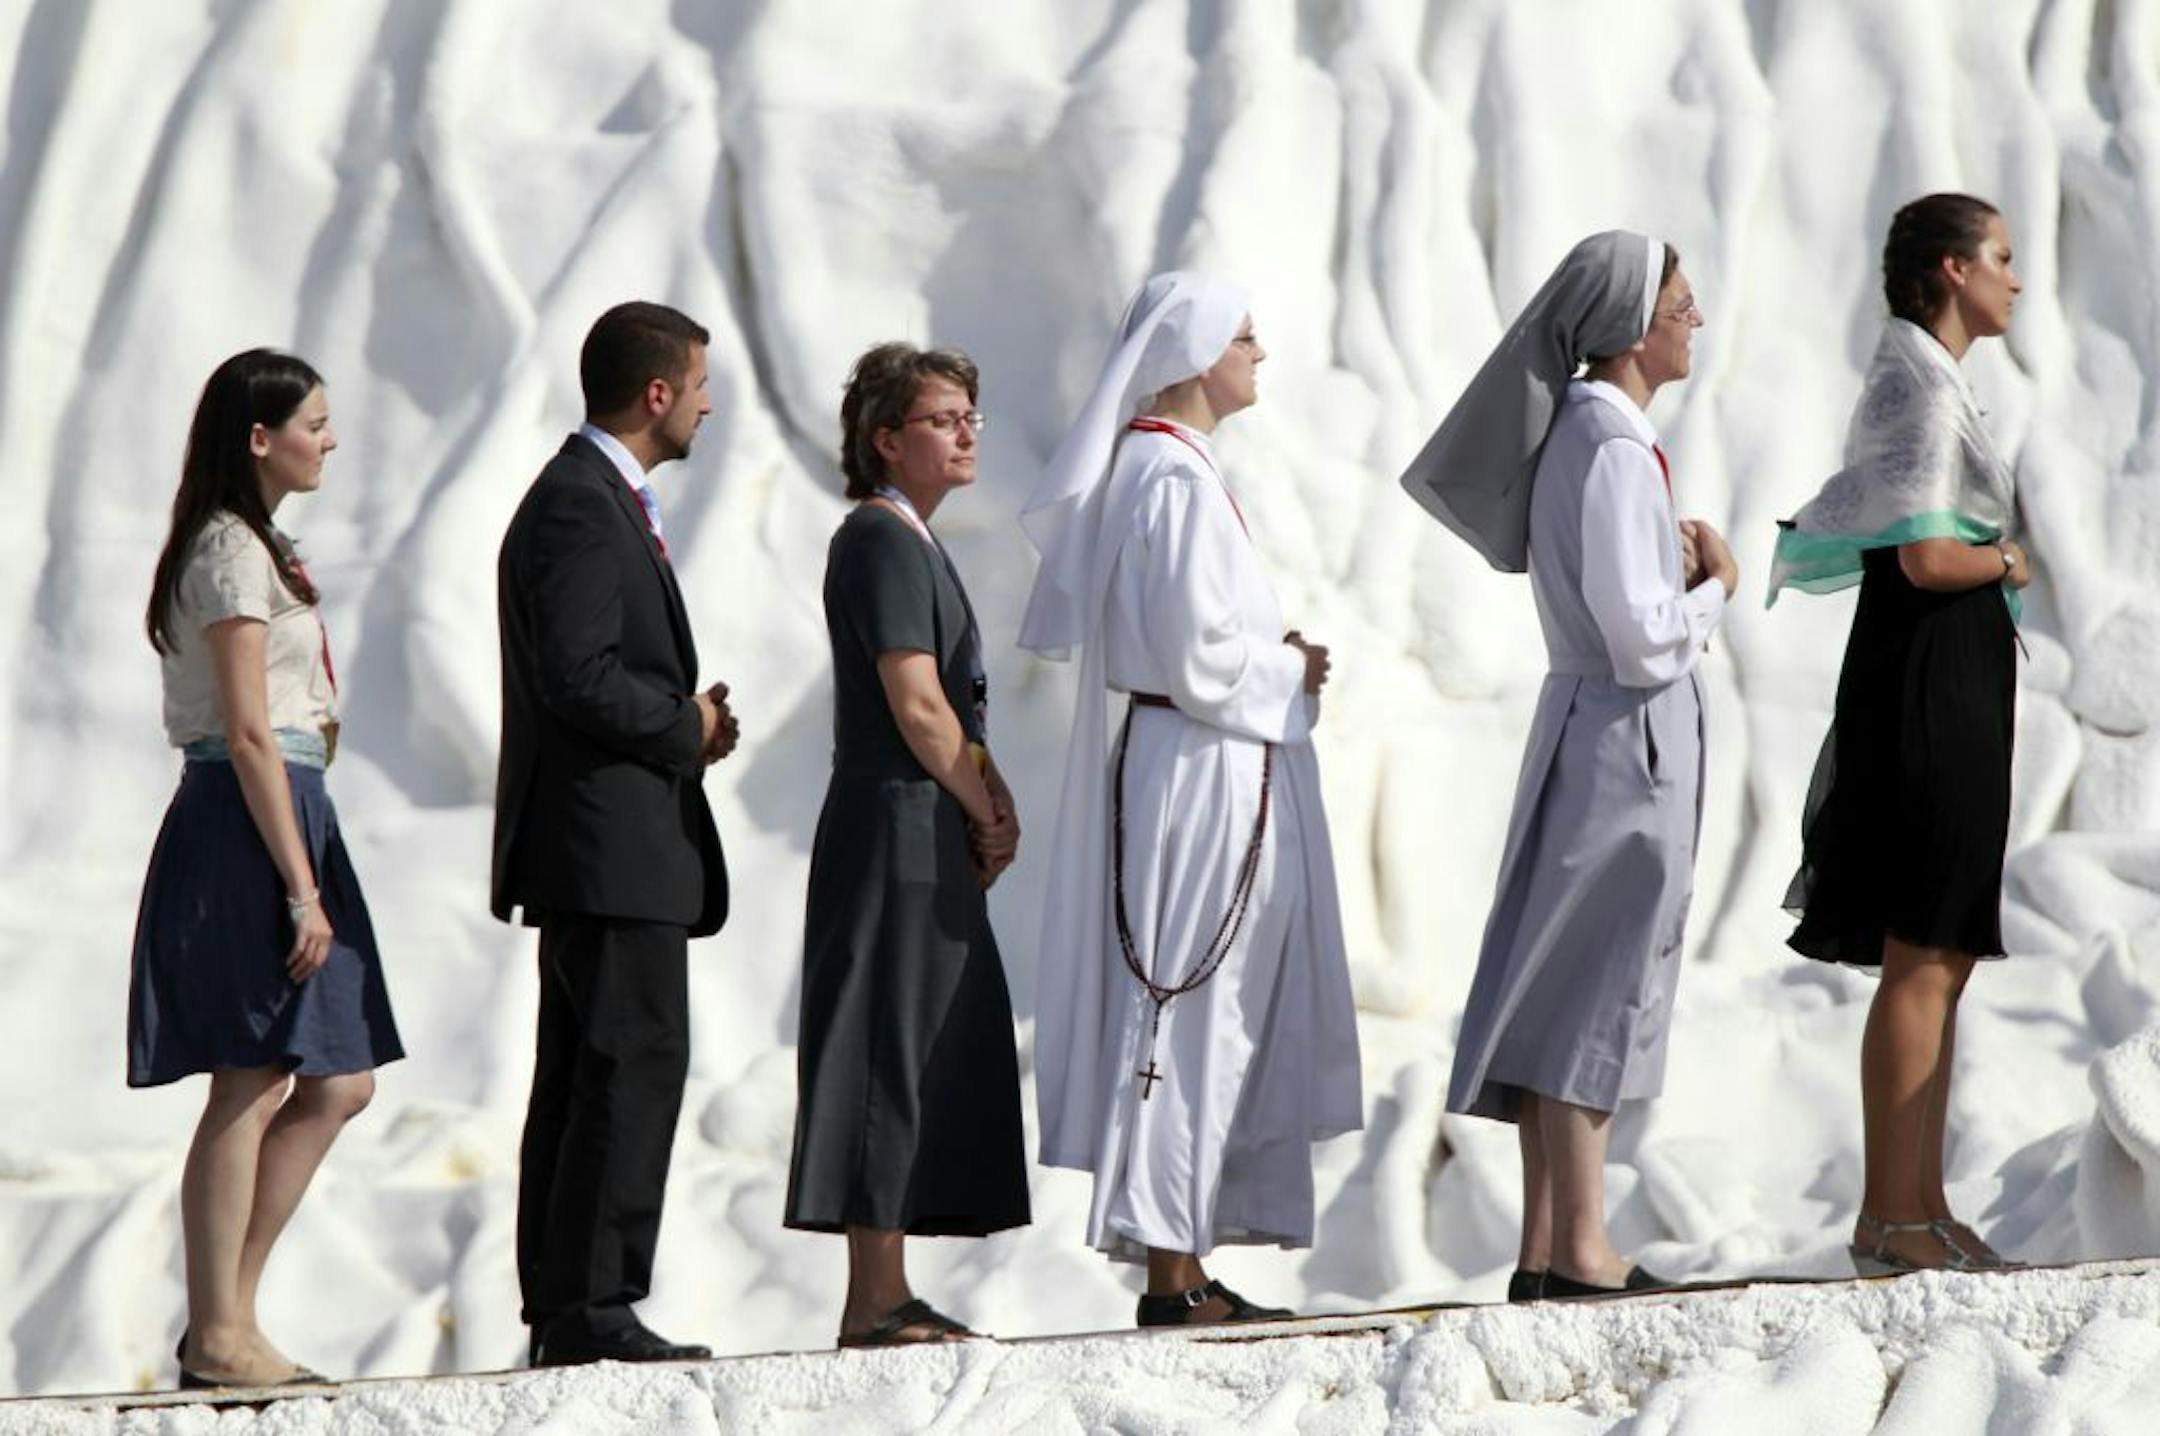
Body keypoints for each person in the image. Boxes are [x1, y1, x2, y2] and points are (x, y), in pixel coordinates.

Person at [1020, 272, 1362, 1326]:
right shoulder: (1167, 479)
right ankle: (1172, 1269)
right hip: (1201, 760)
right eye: (1245, 337)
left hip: (1215, 756)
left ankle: (1188, 1252)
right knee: (1189, 1001)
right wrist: (1285, 665)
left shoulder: (1180, 470)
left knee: (1219, 1006)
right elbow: (1195, 652)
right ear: (1196, 352)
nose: (1260, 353)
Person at [1400, 232, 1733, 1301]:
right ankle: (1583, 1244)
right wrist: (1716, 586)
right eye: (1679, 302)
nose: (1694, 320)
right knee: (1601, 981)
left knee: (1564, 976)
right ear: (1633, 326)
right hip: (1625, 729)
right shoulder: (1613, 443)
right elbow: (1641, 637)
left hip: (1589, 718)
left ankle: (1549, 1245)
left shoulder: (1582, 435)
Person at [1768, 193, 2029, 1275]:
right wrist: (2007, 560)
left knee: (1945, 955)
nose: (2017, 279)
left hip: (1942, 677)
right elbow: (1925, 555)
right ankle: (1891, 1212)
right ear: (1954, 270)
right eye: (2003, 258)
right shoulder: (1918, 386)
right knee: (1921, 952)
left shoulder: (1930, 376)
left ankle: (1919, 1202)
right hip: (1926, 679)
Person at [132, 348, 404, 1388]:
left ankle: (225, 1318)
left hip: (288, 805)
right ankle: (219, 1329)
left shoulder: (259, 544)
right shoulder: (229, 552)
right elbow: (248, 729)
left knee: (338, 1076)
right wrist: (300, 885)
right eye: (315, 422)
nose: (329, 440)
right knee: (250, 1077)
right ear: (260, 436)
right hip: (250, 814)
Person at [493, 301, 738, 1366]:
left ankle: (569, 1302)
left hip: (608, 843)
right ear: (655, 394)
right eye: (696, 384)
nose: (706, 402)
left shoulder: (589, 497)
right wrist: (686, 722)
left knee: (591, 1067)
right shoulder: (583, 506)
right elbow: (580, 675)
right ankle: (591, 1306)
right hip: (608, 846)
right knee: (626, 1064)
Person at [782, 343, 1030, 1347]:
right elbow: (918, 705)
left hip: (922, 820)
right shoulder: (881, 540)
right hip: (896, 823)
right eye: (941, 416)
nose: (967, 428)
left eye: (971, 412)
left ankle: (888, 1287)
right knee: (885, 1038)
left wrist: (985, 794)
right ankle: (873, 1294)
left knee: (922, 1037)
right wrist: (983, 804)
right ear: (887, 438)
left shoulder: (916, 541)